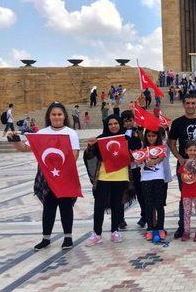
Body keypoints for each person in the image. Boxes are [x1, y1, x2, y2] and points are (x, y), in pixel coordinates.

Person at [10, 102, 79, 250]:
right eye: (53, 114)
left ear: (64, 116)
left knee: (66, 207)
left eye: (59, 114)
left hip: (64, 175)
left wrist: (59, 168)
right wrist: (15, 141)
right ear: (49, 116)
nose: (56, 117)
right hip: (47, 176)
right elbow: (25, 148)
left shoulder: (71, 133)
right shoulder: (42, 133)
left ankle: (68, 238)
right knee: (49, 207)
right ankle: (46, 238)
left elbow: (74, 155)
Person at [168, 93, 196, 239]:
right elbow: (171, 142)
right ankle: (183, 227)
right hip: (185, 164)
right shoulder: (177, 123)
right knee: (185, 195)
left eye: (193, 103)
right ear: (183, 104)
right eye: (187, 103)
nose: (190, 106)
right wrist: (179, 157)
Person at [86, 115, 130, 245]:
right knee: (99, 205)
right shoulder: (101, 139)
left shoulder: (126, 138)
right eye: (110, 124)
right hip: (104, 176)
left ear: (120, 124)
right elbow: (90, 156)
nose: (113, 126)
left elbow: (133, 154)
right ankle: (97, 233)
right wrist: (90, 146)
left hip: (121, 176)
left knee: (117, 205)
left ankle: (114, 231)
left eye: (116, 123)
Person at [138, 127, 171, 243]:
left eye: (154, 136)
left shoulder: (162, 146)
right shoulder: (143, 148)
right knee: (148, 205)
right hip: (145, 179)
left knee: (159, 204)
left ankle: (160, 227)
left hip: (158, 178)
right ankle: (150, 228)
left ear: (157, 136)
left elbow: (162, 156)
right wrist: (138, 161)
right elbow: (139, 161)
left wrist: (155, 161)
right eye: (149, 136)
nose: (151, 138)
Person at [177, 140, 196, 241]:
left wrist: (192, 177)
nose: (192, 152)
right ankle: (186, 231)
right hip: (187, 192)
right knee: (187, 212)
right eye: (190, 150)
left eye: (195, 150)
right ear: (186, 151)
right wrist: (188, 178)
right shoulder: (183, 164)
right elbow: (182, 178)